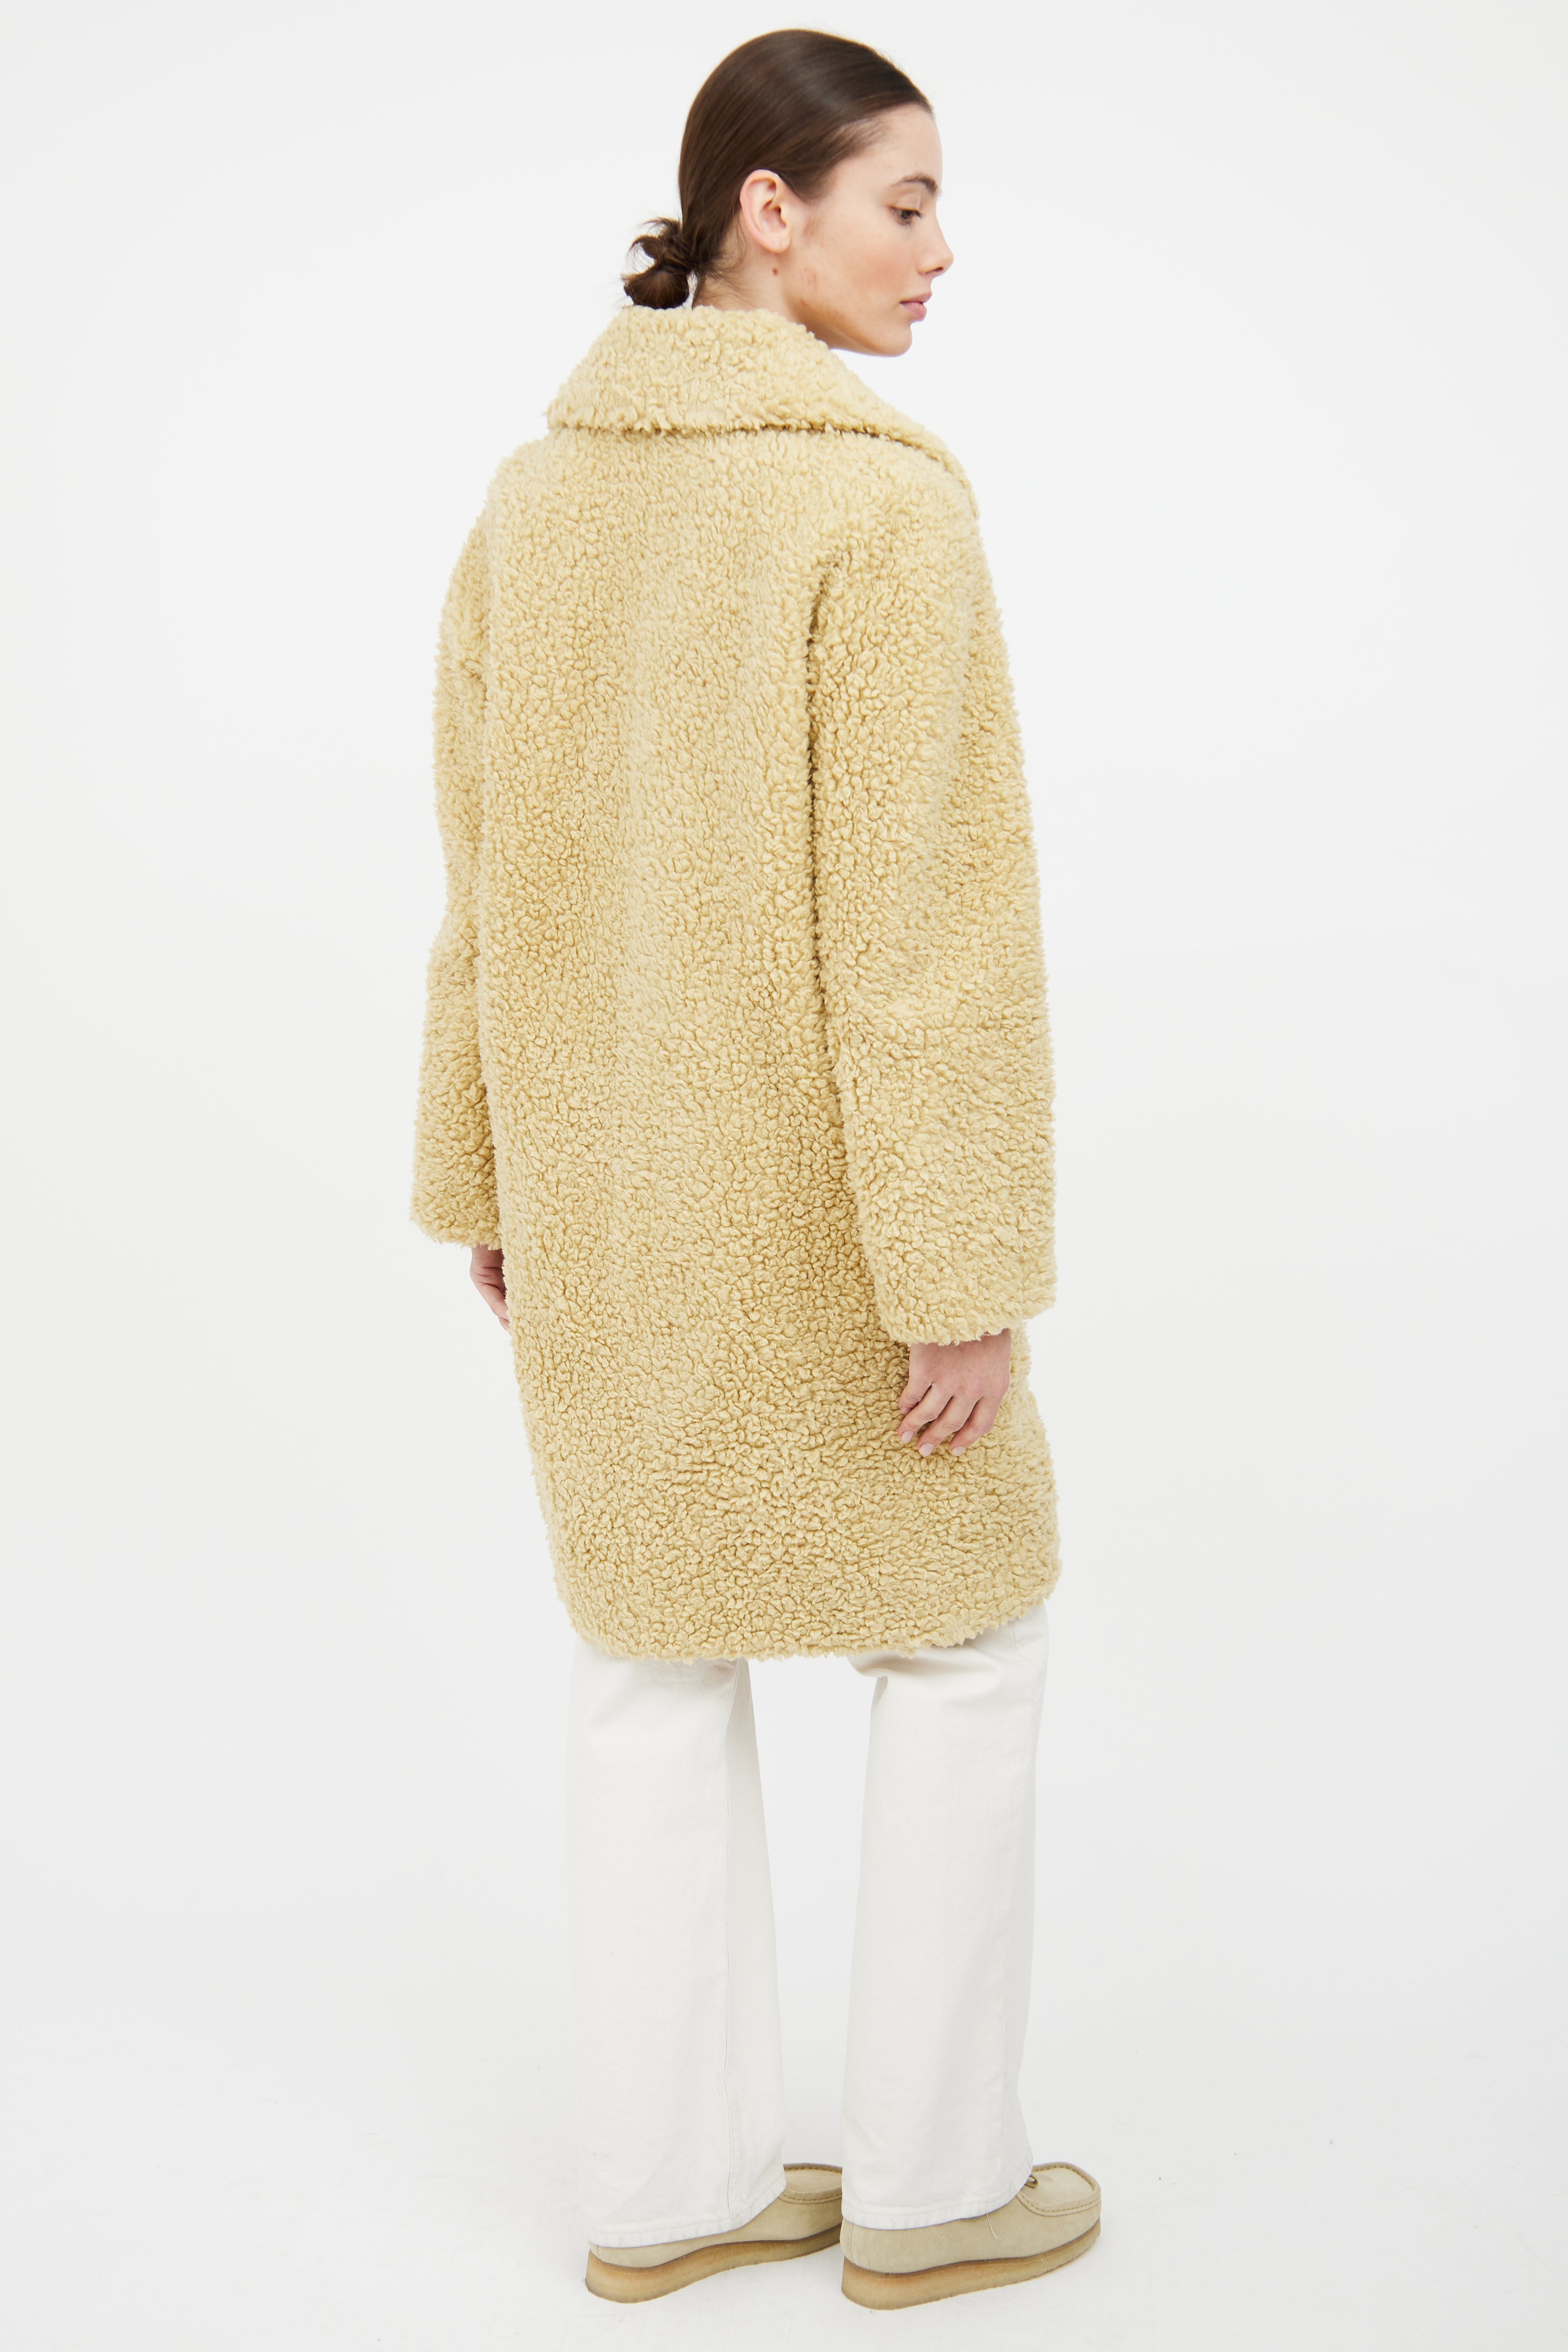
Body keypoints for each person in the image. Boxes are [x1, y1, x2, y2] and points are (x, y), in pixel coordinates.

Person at [410, 27, 1099, 2311]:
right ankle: (934, 2183)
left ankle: (669, 2184)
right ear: (765, 210)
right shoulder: (874, 508)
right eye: (905, 201)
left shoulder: (535, 500)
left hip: (607, 1200)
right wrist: (962, 1268)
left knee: (649, 1651)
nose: (942, 248)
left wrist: (485, 1172)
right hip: (829, 1218)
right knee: (967, 1639)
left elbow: (483, 877)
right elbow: (925, 931)